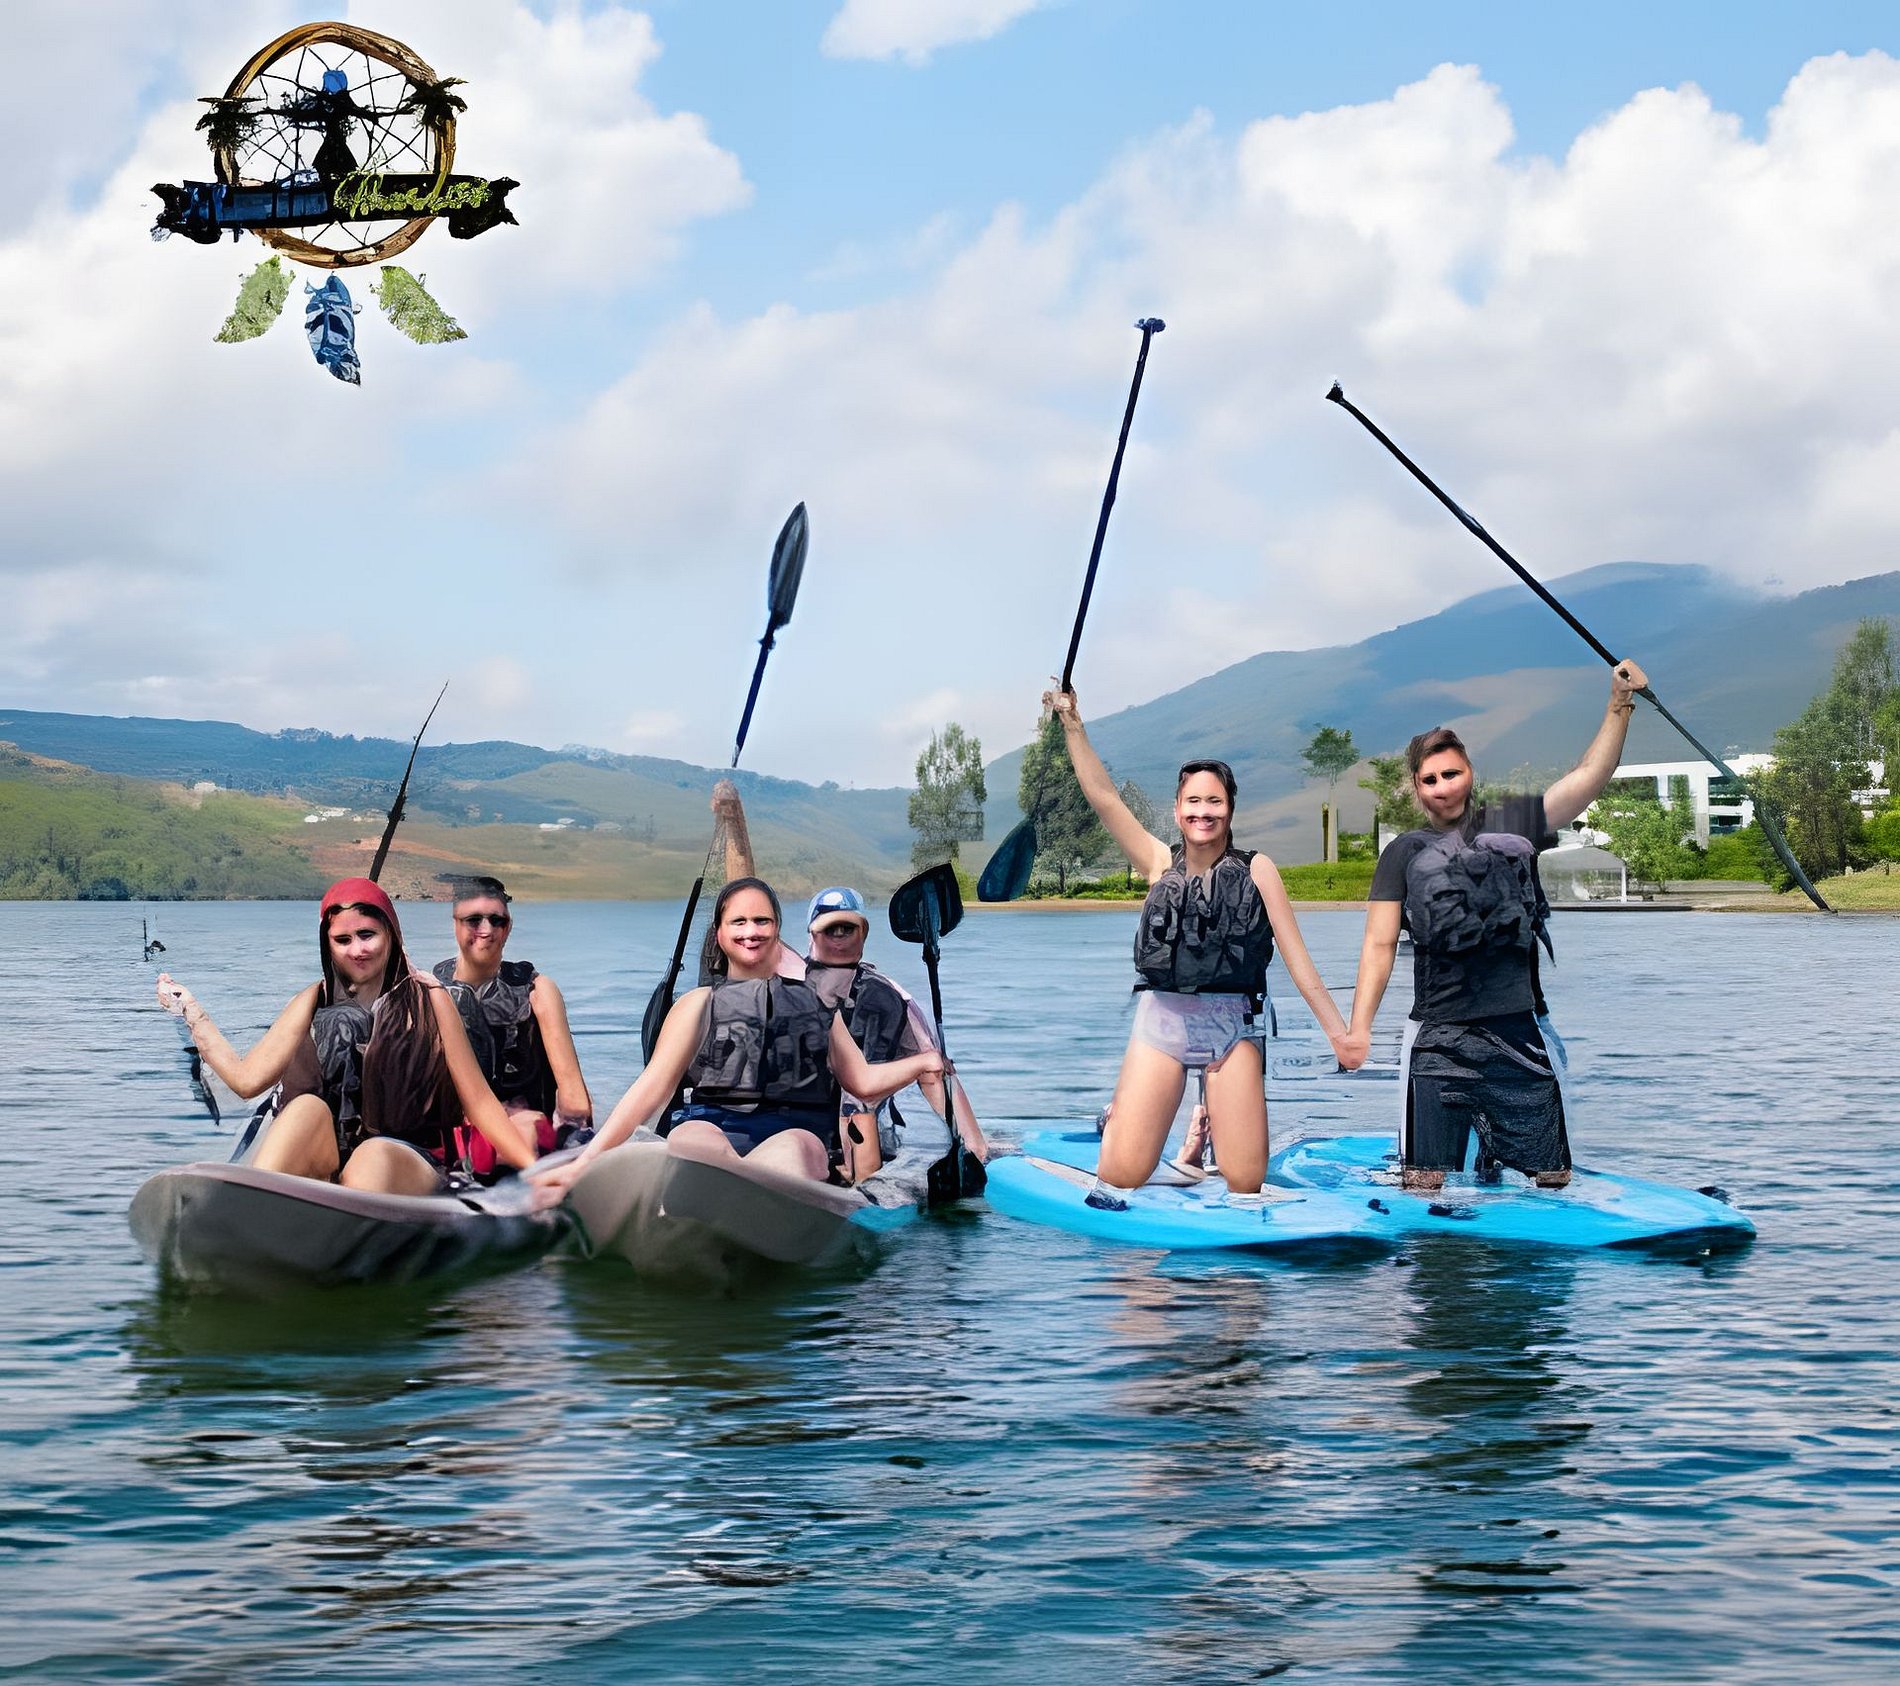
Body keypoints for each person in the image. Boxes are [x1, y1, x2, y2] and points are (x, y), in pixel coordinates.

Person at [1340, 659, 1651, 1191]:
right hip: (1439, 1036)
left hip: (1517, 1030)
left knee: (1552, 1176)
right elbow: (1379, 943)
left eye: (1451, 774)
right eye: (1430, 779)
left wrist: (1618, 705)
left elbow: (1586, 780)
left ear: (1470, 773)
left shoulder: (1515, 826)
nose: (1442, 787)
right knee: (1424, 1181)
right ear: (1416, 788)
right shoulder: (1403, 852)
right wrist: (1359, 1028)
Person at [1045, 688, 1359, 1206]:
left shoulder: (1259, 870)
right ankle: (1141, 1125)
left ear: (1230, 809)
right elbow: (1104, 798)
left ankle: (1202, 1137)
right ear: (1177, 810)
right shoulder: (1156, 862)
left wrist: (1340, 1036)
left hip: (1232, 1028)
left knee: (1244, 1180)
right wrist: (1073, 725)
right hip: (1162, 1024)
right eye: (1193, 801)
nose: (1203, 812)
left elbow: (1299, 963)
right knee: (1121, 1173)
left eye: (1215, 801)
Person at [533, 878, 944, 1195]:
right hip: (713, 1126)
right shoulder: (697, 1004)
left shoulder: (817, 1004)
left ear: (777, 930)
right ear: (719, 933)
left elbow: (862, 1082)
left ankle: (744, 1196)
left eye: (762, 921)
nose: (752, 931)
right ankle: (724, 1193)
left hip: (793, 1133)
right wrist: (587, 1161)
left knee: (798, 1150)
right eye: (739, 921)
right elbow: (651, 1089)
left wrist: (923, 1062)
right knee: (690, 1138)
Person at [156, 878, 538, 1193]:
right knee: (305, 1110)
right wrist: (192, 1011)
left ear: (391, 934)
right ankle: (253, 1207)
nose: (357, 950)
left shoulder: (432, 997)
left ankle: (345, 1219)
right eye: (343, 940)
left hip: (407, 1157)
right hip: (331, 1156)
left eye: (367, 935)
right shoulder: (311, 1000)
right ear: (328, 944)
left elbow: (479, 1102)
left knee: (372, 1157)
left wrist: (532, 1170)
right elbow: (246, 1081)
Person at [801, 885, 990, 1183]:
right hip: (794, 1126)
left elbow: (930, 1070)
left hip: (857, 1132)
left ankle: (864, 1180)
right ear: (812, 935)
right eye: (829, 930)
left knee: (871, 1091)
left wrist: (973, 1149)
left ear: (862, 934)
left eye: (846, 929)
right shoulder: (786, 983)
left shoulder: (883, 996)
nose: (838, 939)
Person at [432, 874, 592, 1174]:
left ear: (508, 927)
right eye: (473, 920)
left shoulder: (537, 990)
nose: (486, 930)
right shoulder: (431, 991)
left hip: (525, 1124)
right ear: (456, 924)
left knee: (524, 1131)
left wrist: (574, 1140)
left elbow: (573, 1096)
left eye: (497, 921)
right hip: (455, 1128)